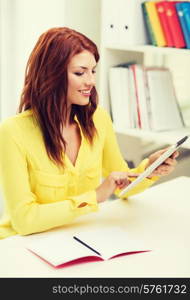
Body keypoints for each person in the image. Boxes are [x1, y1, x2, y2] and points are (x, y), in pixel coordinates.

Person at [0, 27, 178, 239]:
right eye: (79, 72)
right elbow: (24, 220)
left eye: (93, 71)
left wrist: (149, 169)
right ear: (52, 74)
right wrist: (95, 196)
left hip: (81, 237)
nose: (91, 81)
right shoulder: (12, 132)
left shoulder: (98, 120)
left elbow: (122, 186)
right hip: (22, 243)